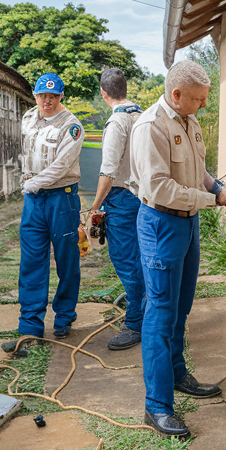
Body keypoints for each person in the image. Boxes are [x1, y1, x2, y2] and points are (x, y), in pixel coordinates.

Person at [130, 60, 226, 437]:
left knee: (182, 307)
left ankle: (178, 374)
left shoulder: (188, 120)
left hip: (188, 221)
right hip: (161, 223)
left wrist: (218, 189)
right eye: (196, 100)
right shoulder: (151, 126)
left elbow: (198, 170)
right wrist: (212, 200)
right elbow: (160, 187)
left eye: (204, 99)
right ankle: (157, 406)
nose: (202, 106)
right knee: (160, 313)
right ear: (176, 94)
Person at [4, 72, 85, 350]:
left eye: (52, 96)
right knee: (32, 260)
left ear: (61, 96)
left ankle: (64, 316)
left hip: (61, 199)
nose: (46, 101)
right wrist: (27, 181)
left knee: (66, 260)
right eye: (42, 95)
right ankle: (30, 325)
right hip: (33, 201)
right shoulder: (28, 118)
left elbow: (63, 165)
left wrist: (34, 183)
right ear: (35, 96)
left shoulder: (72, 125)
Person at [88, 68, 146, 351]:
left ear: (103, 93)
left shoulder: (117, 122)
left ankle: (136, 322)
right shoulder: (144, 116)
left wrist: (94, 208)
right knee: (144, 258)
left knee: (127, 261)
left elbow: (108, 173)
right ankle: (146, 307)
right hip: (146, 197)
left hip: (122, 199)